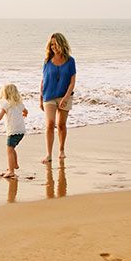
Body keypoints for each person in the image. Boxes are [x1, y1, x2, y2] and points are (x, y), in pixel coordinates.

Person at [39, 32, 76, 163]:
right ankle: (48, 154)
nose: (53, 47)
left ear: (61, 44)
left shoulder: (70, 61)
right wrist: (40, 97)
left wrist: (66, 98)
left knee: (61, 125)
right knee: (49, 124)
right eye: (51, 44)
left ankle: (61, 150)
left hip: (64, 96)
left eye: (55, 44)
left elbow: (72, 82)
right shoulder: (47, 61)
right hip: (48, 96)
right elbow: (43, 80)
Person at [0, 83, 28, 179]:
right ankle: (14, 165)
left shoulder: (6, 104)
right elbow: (26, 111)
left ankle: (11, 171)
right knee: (12, 148)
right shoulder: (19, 104)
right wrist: (24, 114)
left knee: (9, 150)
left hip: (13, 130)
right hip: (21, 130)